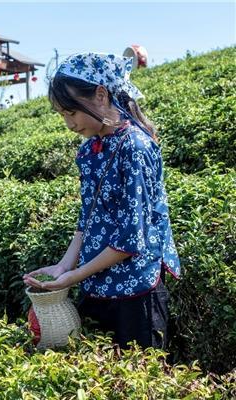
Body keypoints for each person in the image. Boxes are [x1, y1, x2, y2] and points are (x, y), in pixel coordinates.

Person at [23, 53, 180, 350]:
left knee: (140, 381)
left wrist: (73, 276)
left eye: (71, 112)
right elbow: (88, 218)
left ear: (100, 94)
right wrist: (63, 266)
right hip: (97, 282)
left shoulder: (134, 147)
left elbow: (130, 238)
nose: (69, 123)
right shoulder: (89, 151)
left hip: (135, 289)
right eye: (62, 116)